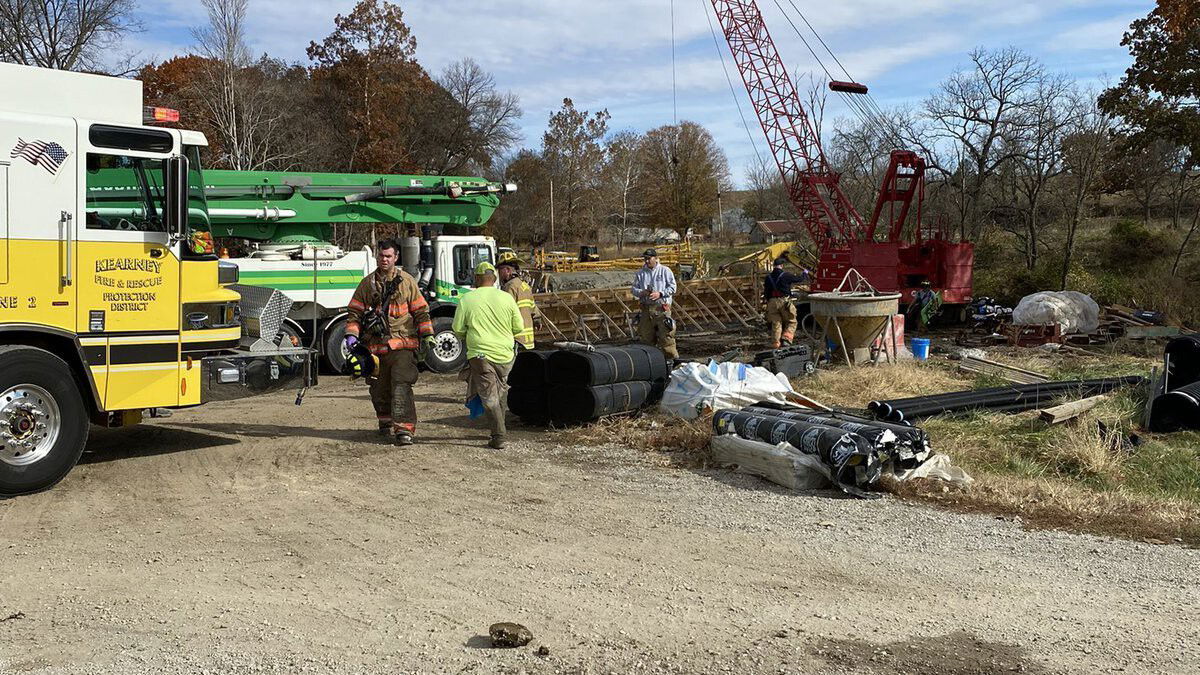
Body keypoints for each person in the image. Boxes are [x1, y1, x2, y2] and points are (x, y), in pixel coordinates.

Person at [344, 239, 435, 446]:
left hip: (402, 345)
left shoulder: (407, 281)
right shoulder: (367, 284)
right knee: (379, 389)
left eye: (388, 256)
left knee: (401, 385)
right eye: (381, 256)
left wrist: (427, 334)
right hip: (375, 349)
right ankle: (385, 422)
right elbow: (354, 313)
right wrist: (351, 335)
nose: (384, 260)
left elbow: (421, 310)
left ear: (396, 258)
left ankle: (404, 430)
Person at [452, 261, 524, 449]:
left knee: (489, 396)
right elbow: (518, 327)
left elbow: (458, 329)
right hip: (505, 355)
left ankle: (499, 435)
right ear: (494, 279)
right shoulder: (506, 298)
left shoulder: (467, 299)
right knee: (499, 390)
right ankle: (500, 428)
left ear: (476, 279)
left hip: (480, 355)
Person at [631, 248, 678, 360]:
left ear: (656, 258)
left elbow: (673, 287)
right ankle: (650, 361)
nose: (646, 261)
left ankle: (671, 360)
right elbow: (633, 289)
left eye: (649, 259)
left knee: (666, 336)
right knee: (646, 336)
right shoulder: (641, 273)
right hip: (646, 308)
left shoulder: (665, 271)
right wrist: (642, 292)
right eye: (645, 259)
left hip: (661, 308)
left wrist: (660, 294)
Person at [763, 258, 808, 349]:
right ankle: (786, 340)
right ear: (782, 266)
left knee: (776, 323)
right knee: (792, 321)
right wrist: (805, 273)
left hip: (771, 302)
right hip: (784, 302)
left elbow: (766, 292)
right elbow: (799, 279)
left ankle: (775, 343)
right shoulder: (785, 275)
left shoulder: (768, 277)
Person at [497, 252, 537, 351]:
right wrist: (537, 319)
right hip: (528, 340)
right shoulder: (525, 286)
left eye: (500, 270)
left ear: (507, 270)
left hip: (516, 339)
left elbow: (505, 312)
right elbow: (533, 308)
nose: (498, 273)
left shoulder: (509, 287)